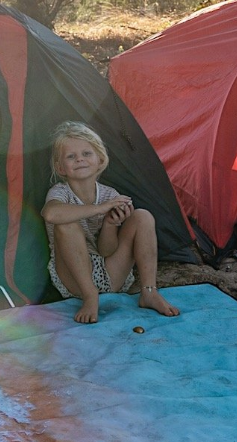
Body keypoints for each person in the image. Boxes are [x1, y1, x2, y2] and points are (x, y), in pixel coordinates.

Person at [41, 121, 181, 325]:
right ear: (60, 167)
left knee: (142, 216)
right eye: (71, 156)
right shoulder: (60, 193)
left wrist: (110, 223)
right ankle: (90, 296)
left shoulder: (109, 195)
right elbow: (51, 214)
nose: (79, 159)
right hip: (74, 278)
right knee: (66, 223)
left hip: (110, 273)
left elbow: (107, 250)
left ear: (100, 159)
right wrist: (99, 208)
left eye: (86, 153)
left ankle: (149, 292)